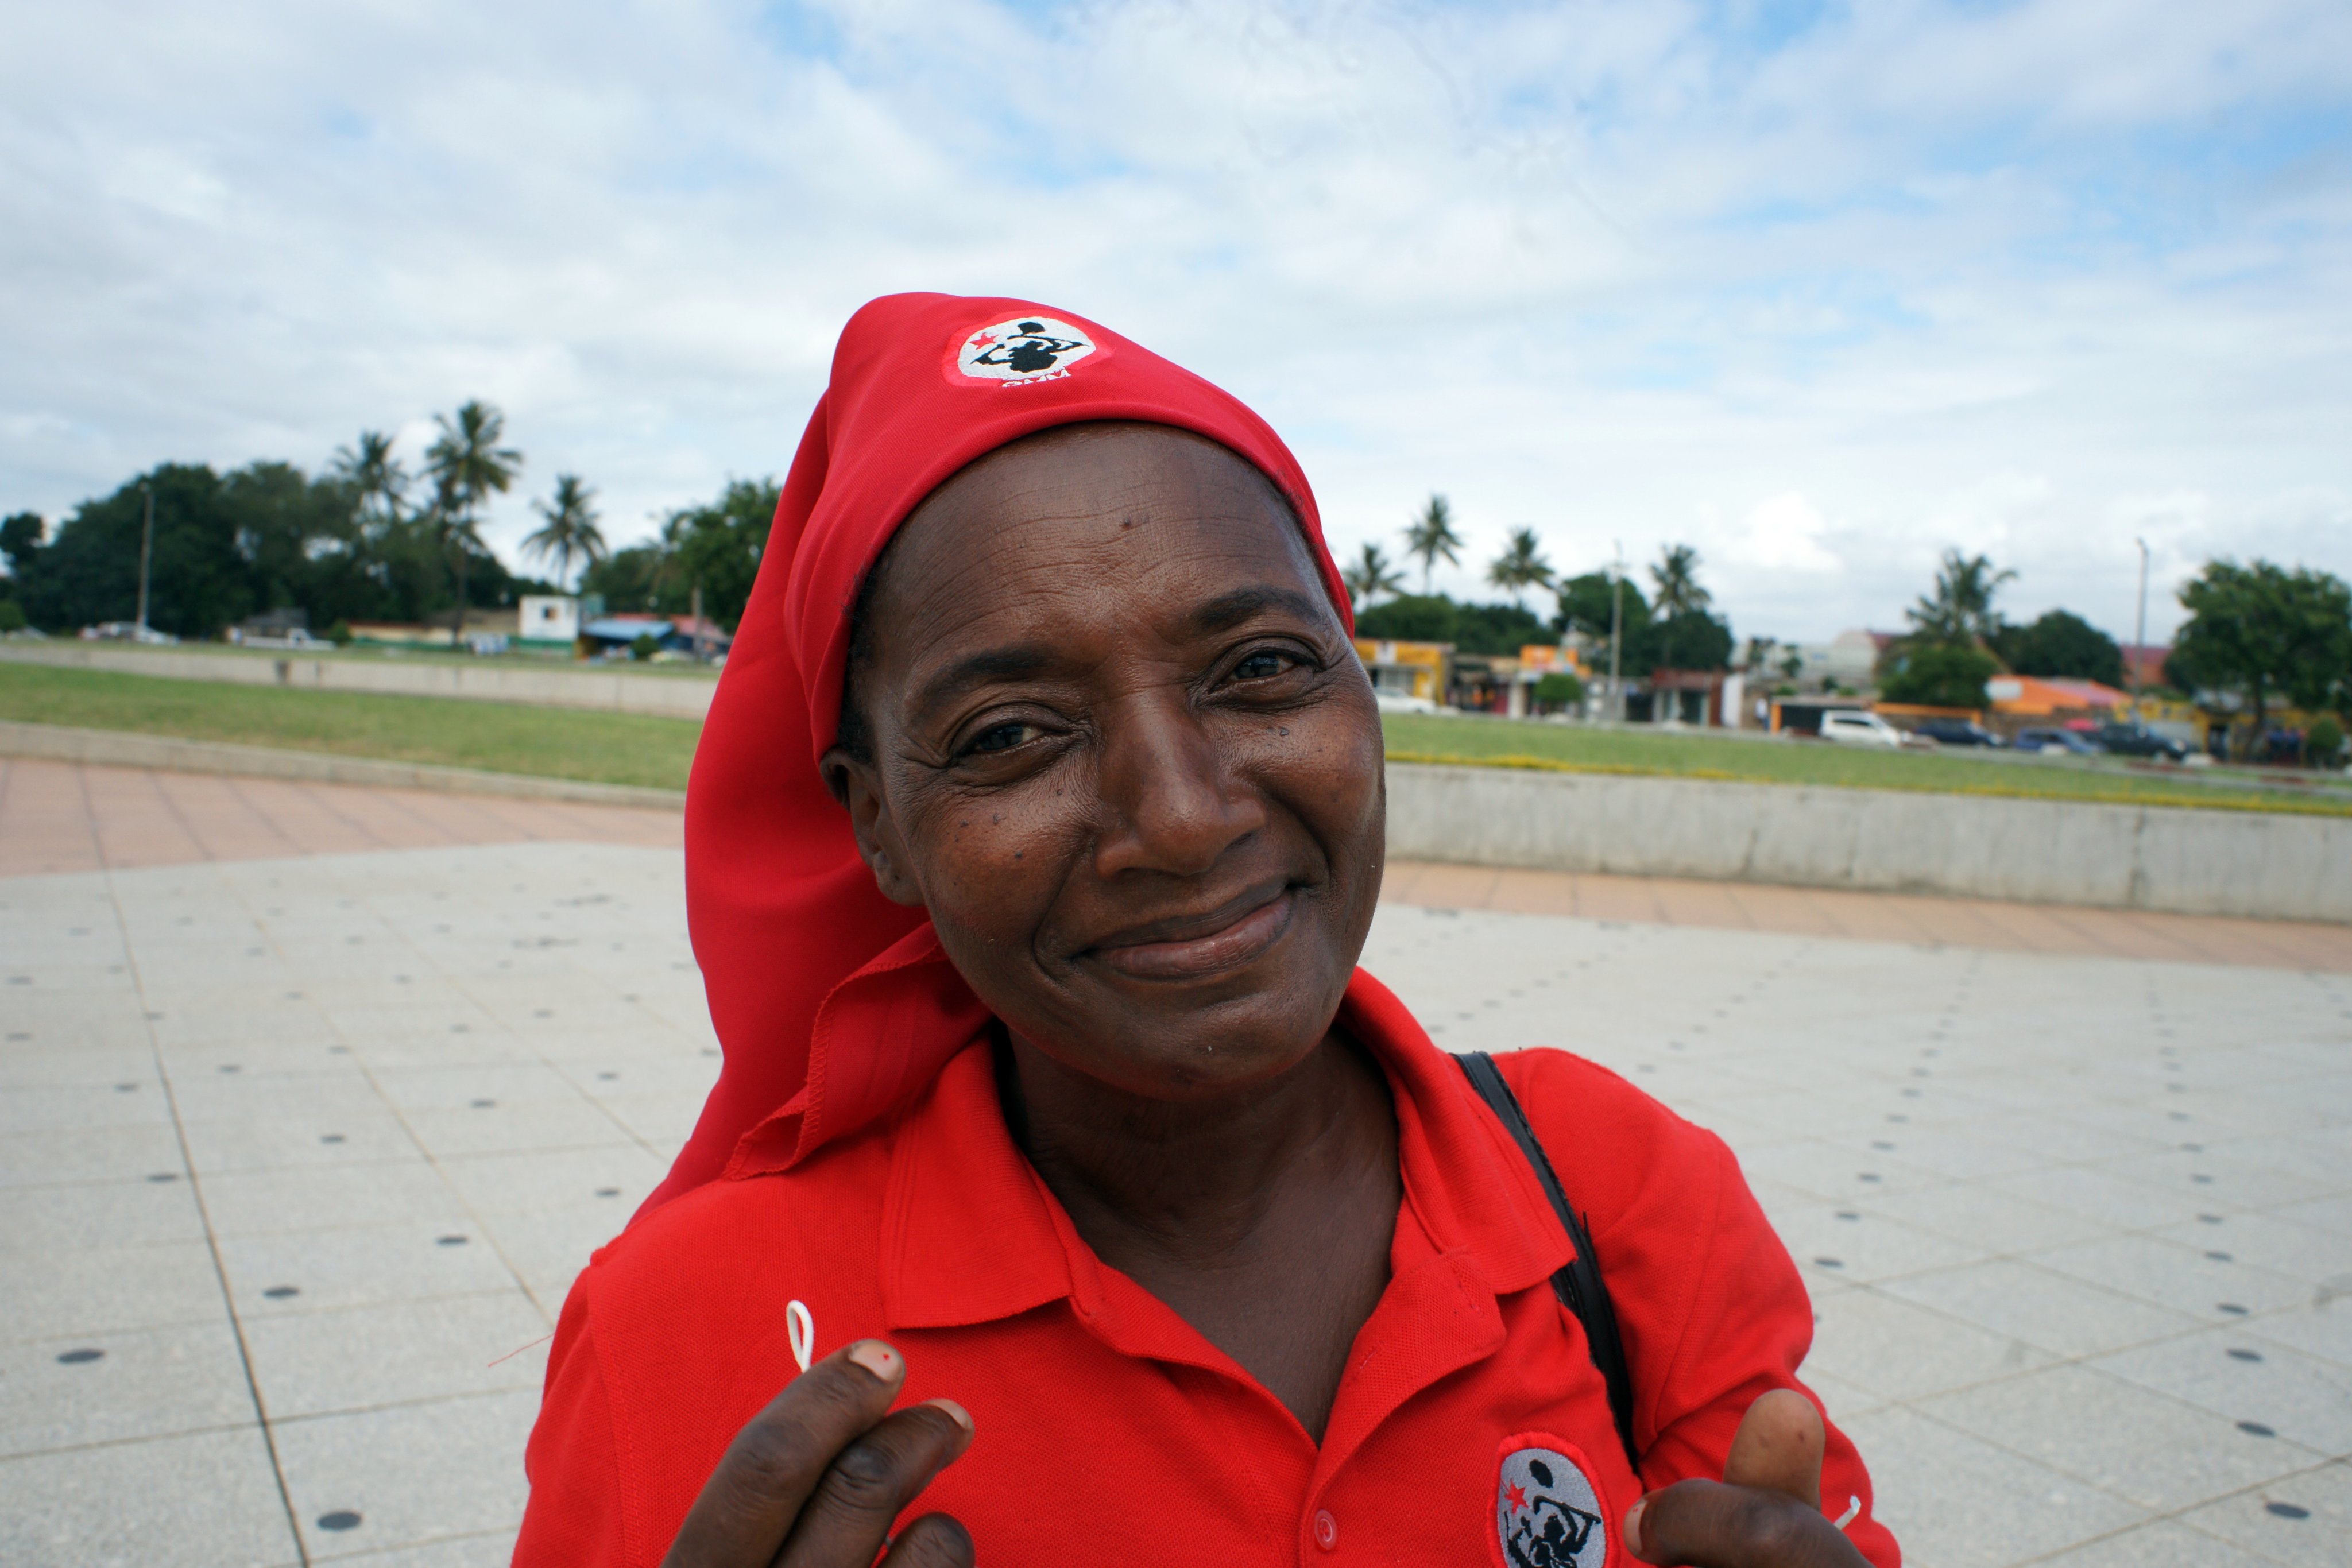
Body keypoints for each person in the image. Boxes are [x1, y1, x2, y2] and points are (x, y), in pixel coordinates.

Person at [514, 294, 1899, 1568]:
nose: (1178, 817)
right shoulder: (684, 1334)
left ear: (1357, 687)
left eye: (1259, 669)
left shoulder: (1617, 1184)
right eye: (1008, 735)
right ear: (875, 822)